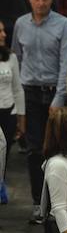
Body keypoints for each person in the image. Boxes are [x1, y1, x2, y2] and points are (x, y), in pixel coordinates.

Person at [11, 0, 67, 223]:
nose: (41, 3)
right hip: (29, 91)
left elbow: (66, 63)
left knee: (59, 151)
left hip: (55, 92)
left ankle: (60, 204)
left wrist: (59, 97)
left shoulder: (63, 24)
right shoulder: (21, 24)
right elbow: (17, 58)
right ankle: (39, 203)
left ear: (52, 0)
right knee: (33, 150)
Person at [0, 19, 25, 170]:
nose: (4, 35)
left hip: (8, 112)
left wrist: (21, 119)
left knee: (4, 155)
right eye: (0, 31)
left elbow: (17, 88)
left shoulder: (11, 57)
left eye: (3, 31)